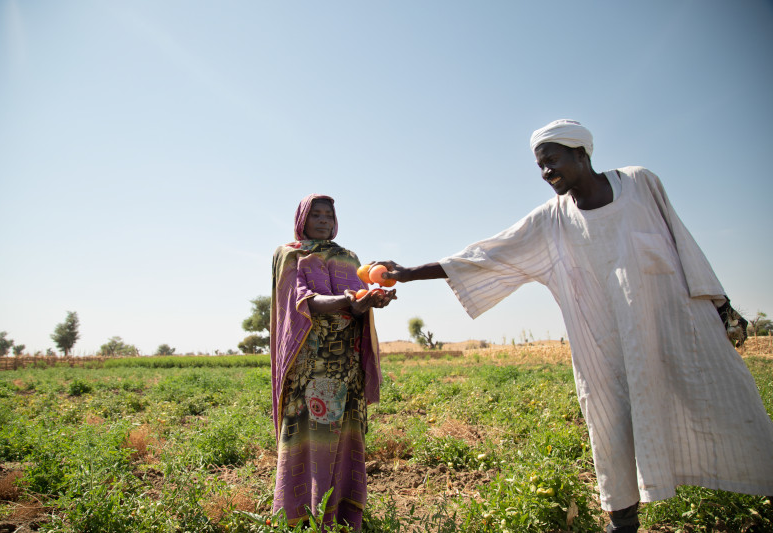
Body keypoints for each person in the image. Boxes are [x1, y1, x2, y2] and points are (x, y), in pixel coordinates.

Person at [376, 120, 773, 533]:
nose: (546, 172)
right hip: (604, 348)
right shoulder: (552, 221)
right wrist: (406, 273)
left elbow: (682, 241)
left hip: (672, 328)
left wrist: (722, 305)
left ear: (582, 153)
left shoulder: (640, 184)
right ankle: (622, 521)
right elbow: (483, 256)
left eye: (552, 160)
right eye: (540, 166)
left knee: (723, 397)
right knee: (610, 425)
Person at [270, 194, 396, 530]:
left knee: (344, 438)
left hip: (347, 363)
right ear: (302, 219)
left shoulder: (349, 258)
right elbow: (300, 302)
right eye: (317, 215)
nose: (324, 220)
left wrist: (374, 299)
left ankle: (341, 515)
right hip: (311, 365)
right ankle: (301, 514)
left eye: (329, 214)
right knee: (309, 436)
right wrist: (348, 300)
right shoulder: (290, 254)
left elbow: (359, 302)